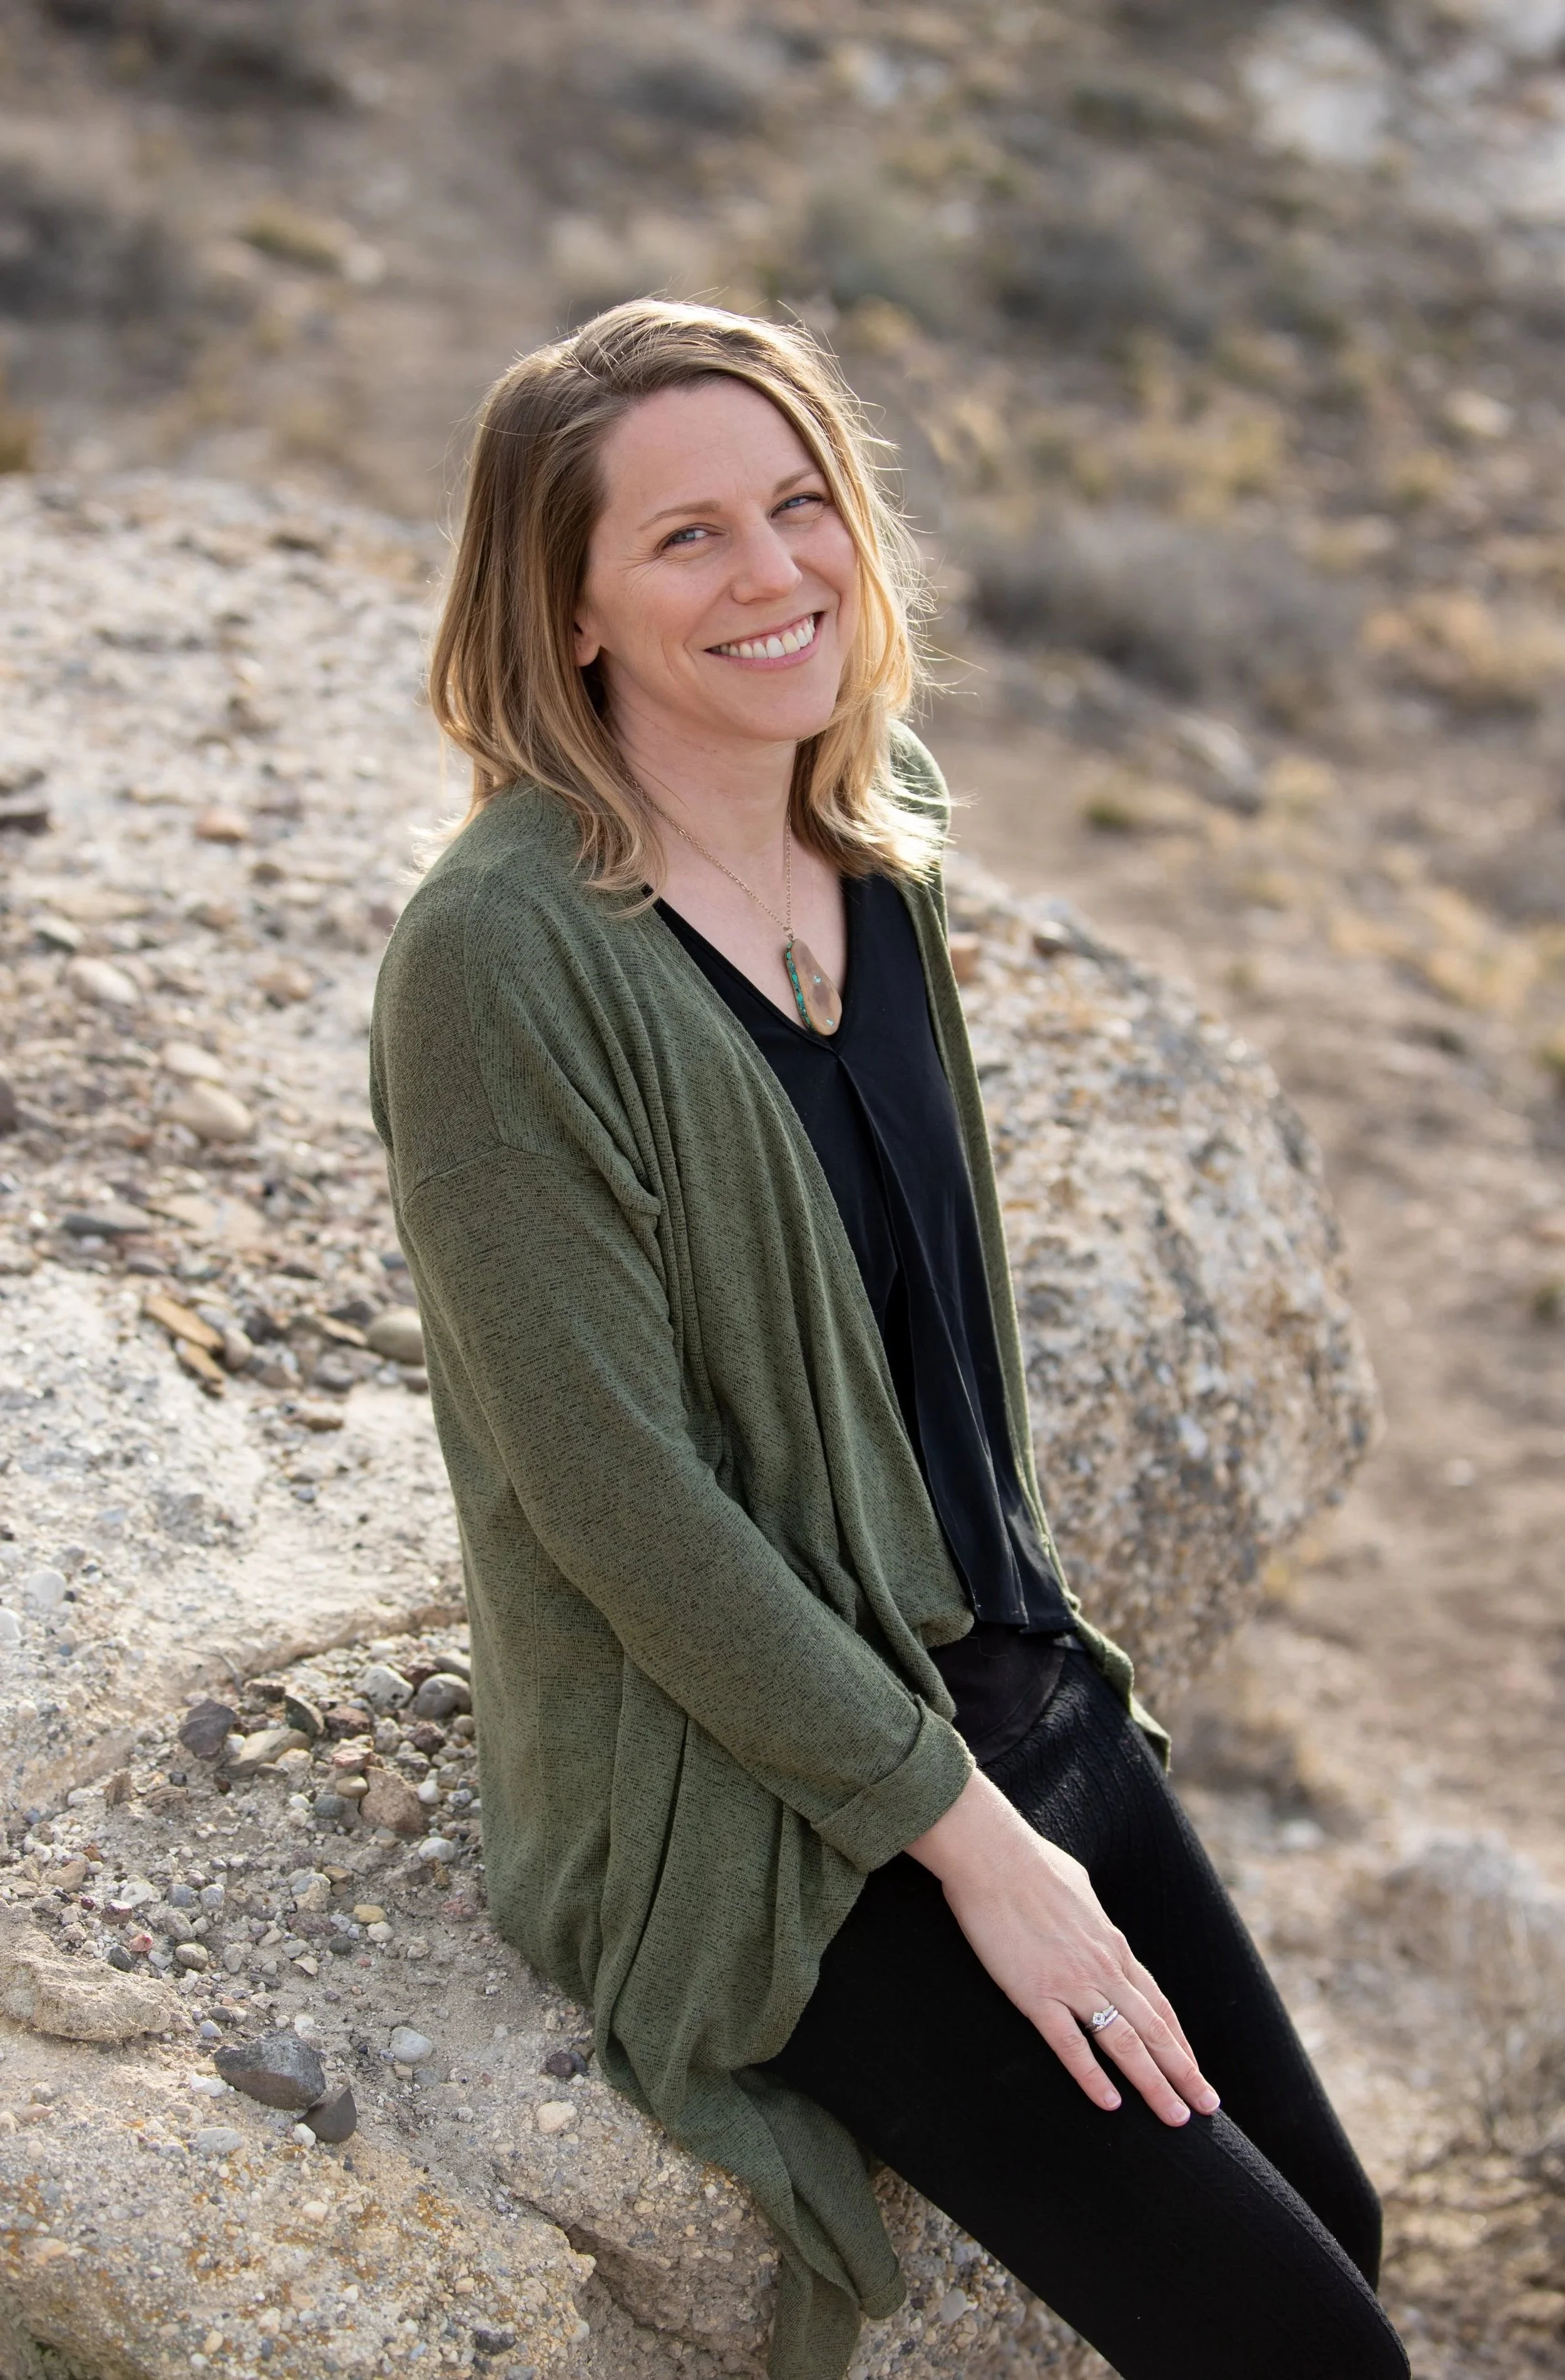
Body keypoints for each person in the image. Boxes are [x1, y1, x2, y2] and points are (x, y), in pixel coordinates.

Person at [370, 300, 1408, 2380]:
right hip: (765, 1808)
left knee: (1345, 2232)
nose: (773, 578)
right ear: (563, 606)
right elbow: (613, 1502)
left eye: (799, 503)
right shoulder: (499, 967)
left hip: (999, 1680)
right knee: (1301, 2352)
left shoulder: (876, 822)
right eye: (682, 542)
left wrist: (1035, 1747)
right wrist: (975, 1851)